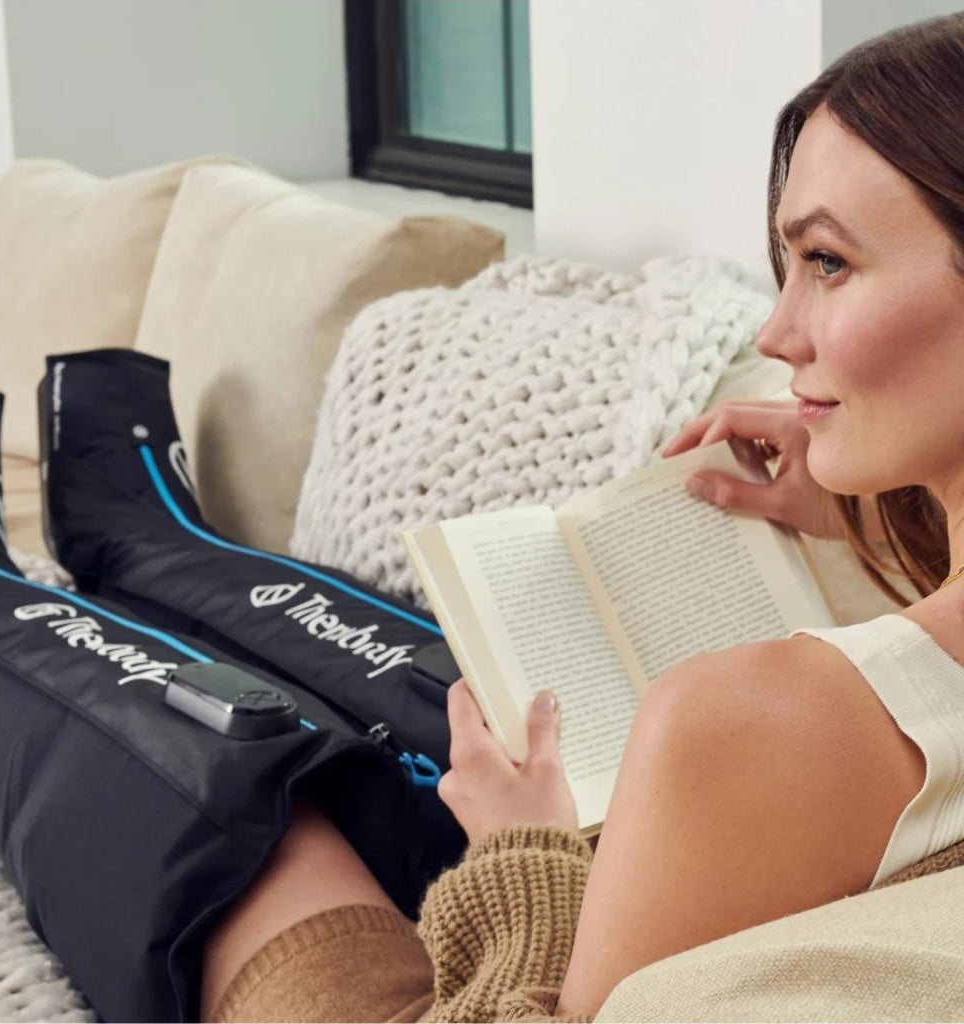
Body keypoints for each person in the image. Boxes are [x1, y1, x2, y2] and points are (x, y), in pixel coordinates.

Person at [200, 13, 964, 1022]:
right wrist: (896, 508)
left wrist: (525, 851)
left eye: (826, 261)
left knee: (225, 761)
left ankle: (112, 528)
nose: (777, 332)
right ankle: (144, 525)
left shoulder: (752, 729)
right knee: (337, 674)